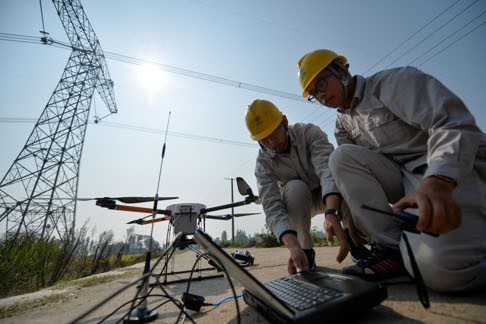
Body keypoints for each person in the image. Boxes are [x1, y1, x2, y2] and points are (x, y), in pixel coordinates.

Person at [296, 49, 486, 293]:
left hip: (454, 169)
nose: (320, 94)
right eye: (313, 93)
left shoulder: (391, 83)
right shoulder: (342, 123)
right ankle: (393, 250)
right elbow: (355, 172)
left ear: (342, 71)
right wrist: (352, 213)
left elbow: (453, 123)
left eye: (321, 82)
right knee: (340, 157)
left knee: (443, 271)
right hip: (408, 181)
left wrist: (438, 181)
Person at [245, 99, 366, 274]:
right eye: (263, 139)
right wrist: (292, 245)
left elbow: (327, 170)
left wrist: (331, 212)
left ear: (284, 122)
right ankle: (305, 251)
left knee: (342, 176)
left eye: (273, 133)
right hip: (301, 204)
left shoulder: (308, 133)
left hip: (330, 194)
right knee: (294, 188)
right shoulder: (263, 163)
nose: (271, 142)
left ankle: (356, 242)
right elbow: (271, 205)